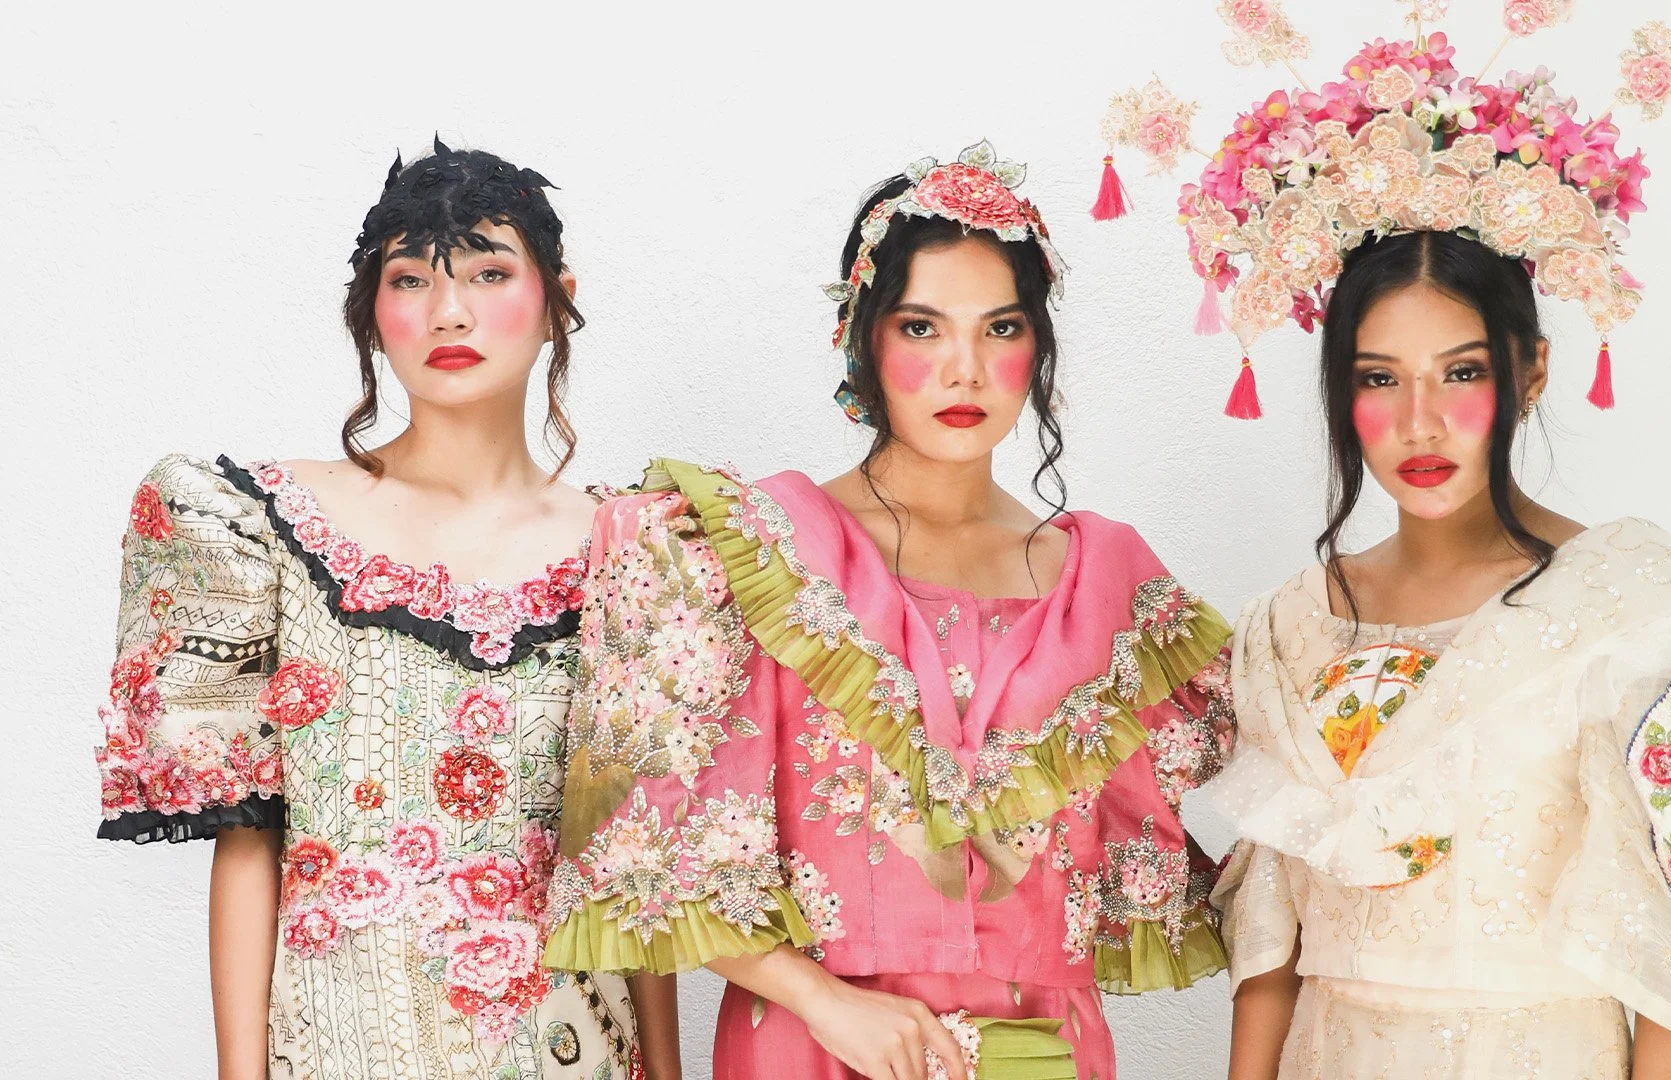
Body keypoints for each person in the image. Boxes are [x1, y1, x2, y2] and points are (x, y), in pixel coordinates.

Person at [1162, 29, 1671, 1080]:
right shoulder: (1294, 622)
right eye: (1378, 379)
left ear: (1532, 371)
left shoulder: (1641, 604)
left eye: (1461, 373)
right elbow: (1270, 945)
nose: (1419, 422)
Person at [543, 142, 1234, 1080]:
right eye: (922, 328)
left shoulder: (1106, 582)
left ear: (1038, 347)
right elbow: (647, 850)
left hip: (1048, 1051)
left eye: (1000, 328)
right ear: (864, 339)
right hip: (817, 1044)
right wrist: (823, 1002)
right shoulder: (752, 550)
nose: (964, 369)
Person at [93, 139, 674, 1079]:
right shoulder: (261, 525)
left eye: (490, 273)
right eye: (410, 280)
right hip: (341, 1049)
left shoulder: (632, 551)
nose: (449, 312)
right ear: (370, 312)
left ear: (557, 300)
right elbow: (250, 842)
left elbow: (631, 865)